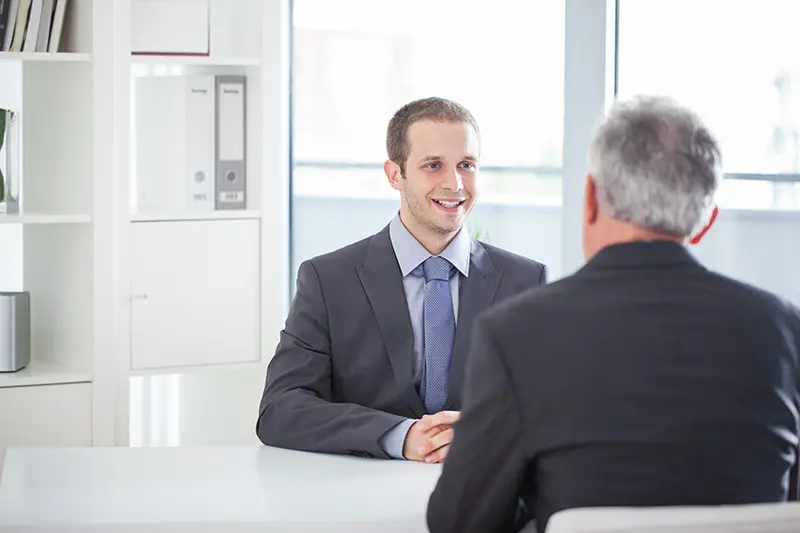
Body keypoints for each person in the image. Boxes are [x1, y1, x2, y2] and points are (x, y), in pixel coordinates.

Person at [427, 95, 800, 533]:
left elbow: (459, 522)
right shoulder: (782, 329)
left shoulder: (515, 332)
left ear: (590, 198)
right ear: (706, 220)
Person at [255, 97, 548, 463]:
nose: (455, 183)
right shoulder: (328, 281)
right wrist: (400, 436)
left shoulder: (525, 281)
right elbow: (280, 410)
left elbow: (552, 405)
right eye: (433, 165)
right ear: (395, 174)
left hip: (483, 499)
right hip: (359, 504)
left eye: (466, 165)